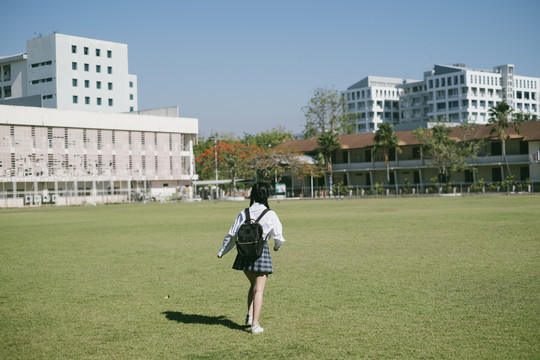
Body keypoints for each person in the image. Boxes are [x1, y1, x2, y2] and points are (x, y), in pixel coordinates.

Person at [217, 182, 286, 334]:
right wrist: (276, 247)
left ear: (252, 195)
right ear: (267, 195)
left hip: (243, 255)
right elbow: (279, 237)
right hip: (261, 254)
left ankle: (249, 316)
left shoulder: (244, 213)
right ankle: (255, 325)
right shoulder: (270, 214)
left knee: (253, 286)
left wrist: (222, 251)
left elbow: (232, 235)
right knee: (259, 289)